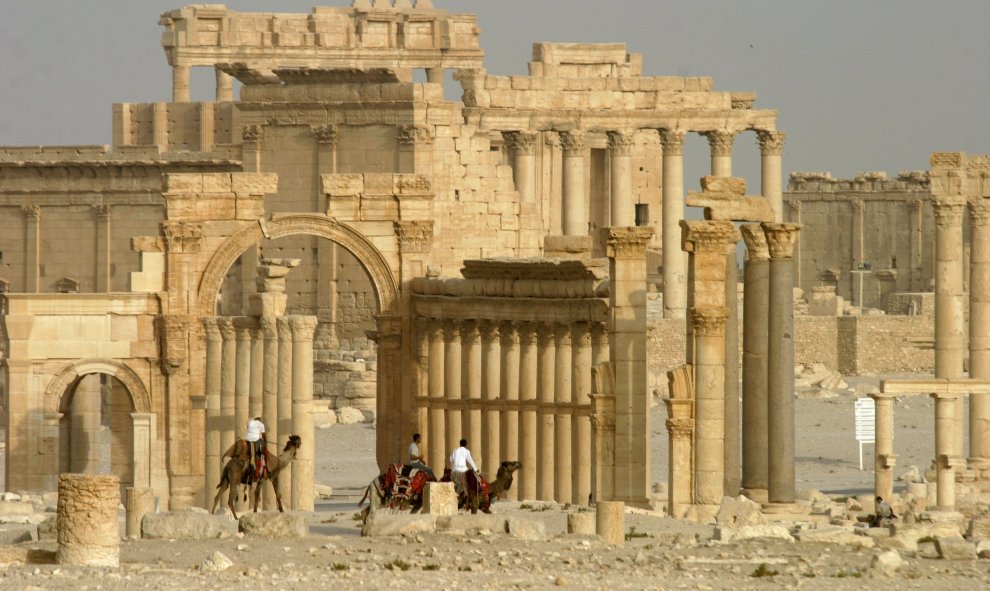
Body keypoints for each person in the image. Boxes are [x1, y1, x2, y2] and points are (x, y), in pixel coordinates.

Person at [244, 417, 267, 483]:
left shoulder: (250, 422)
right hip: (255, 440)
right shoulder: (261, 424)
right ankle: (260, 466)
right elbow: (264, 435)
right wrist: (265, 441)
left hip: (248, 439)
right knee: (261, 451)